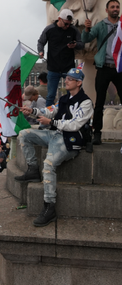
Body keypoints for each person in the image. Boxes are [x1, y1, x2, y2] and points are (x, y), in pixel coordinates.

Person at [15, 67, 92, 227]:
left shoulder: (86, 102)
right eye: (67, 78)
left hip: (70, 140)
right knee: (24, 134)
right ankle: (32, 170)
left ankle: (49, 207)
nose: (67, 80)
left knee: (49, 165)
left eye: (70, 79)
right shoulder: (64, 98)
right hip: (55, 134)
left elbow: (75, 124)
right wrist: (33, 111)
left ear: (79, 82)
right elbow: (49, 111)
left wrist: (52, 123)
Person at [83, 0, 122, 144]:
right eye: (112, 7)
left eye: (117, 7)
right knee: (99, 102)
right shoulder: (101, 25)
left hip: (119, 68)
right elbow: (87, 38)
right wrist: (87, 29)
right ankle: (97, 133)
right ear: (107, 10)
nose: (115, 9)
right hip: (104, 67)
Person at [34, 8, 85, 105]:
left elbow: (81, 43)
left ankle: (71, 114)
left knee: (72, 94)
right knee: (50, 96)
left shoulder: (73, 30)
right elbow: (41, 42)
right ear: (59, 19)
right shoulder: (49, 29)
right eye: (66, 23)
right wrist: (41, 51)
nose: (68, 26)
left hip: (68, 68)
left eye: (69, 23)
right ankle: (48, 117)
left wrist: (75, 45)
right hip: (53, 68)